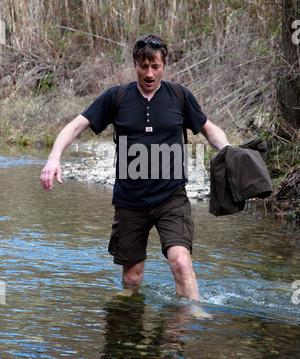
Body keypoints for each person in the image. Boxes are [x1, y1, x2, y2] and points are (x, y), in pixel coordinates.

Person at [40, 33, 230, 303]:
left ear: (164, 65)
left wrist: (230, 152)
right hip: (130, 200)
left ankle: (187, 324)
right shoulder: (116, 97)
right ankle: (130, 330)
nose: (149, 73)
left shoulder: (179, 96)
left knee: (181, 264)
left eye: (156, 66)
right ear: (135, 64)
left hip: (171, 197)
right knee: (132, 279)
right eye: (144, 66)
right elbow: (76, 126)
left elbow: (210, 131)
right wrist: (53, 157)